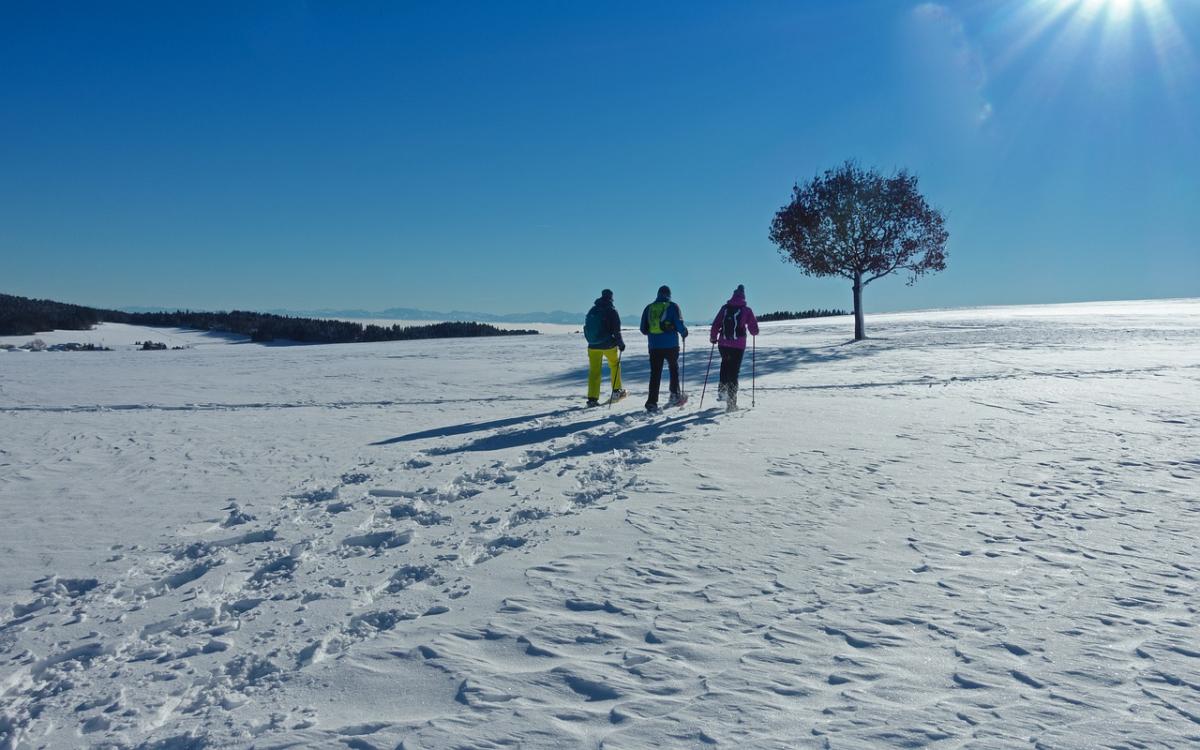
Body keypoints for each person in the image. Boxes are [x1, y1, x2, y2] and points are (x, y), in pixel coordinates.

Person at [709, 284, 759, 411]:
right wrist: (754, 331)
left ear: (733, 295)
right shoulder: (746, 310)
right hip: (738, 345)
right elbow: (754, 329)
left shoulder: (725, 308)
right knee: (734, 371)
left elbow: (716, 323)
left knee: (725, 365)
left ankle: (722, 390)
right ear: (743, 296)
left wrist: (713, 337)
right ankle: (731, 403)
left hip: (723, 344)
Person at [640, 285, 689, 412]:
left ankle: (652, 402)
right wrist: (683, 332)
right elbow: (679, 323)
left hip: (654, 345)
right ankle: (674, 395)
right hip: (671, 345)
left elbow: (643, 329)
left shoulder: (649, 308)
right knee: (673, 369)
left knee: (655, 373)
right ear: (669, 294)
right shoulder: (672, 306)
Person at [583, 289, 626, 407]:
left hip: (592, 345)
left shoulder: (593, 309)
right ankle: (617, 391)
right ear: (611, 297)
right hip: (608, 345)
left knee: (594, 371)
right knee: (615, 364)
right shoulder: (611, 310)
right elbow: (616, 330)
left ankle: (592, 399)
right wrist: (620, 343)